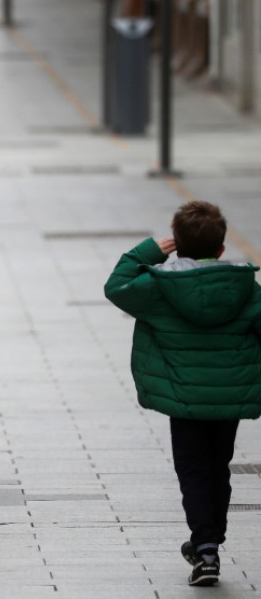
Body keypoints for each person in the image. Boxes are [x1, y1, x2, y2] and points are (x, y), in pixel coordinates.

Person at [104, 201, 261, 587]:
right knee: (217, 468)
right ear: (222, 249)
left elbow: (115, 286)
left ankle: (206, 548)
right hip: (229, 399)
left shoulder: (159, 288)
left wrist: (148, 252)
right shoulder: (245, 288)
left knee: (192, 470)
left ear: (177, 243)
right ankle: (209, 541)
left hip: (183, 399)